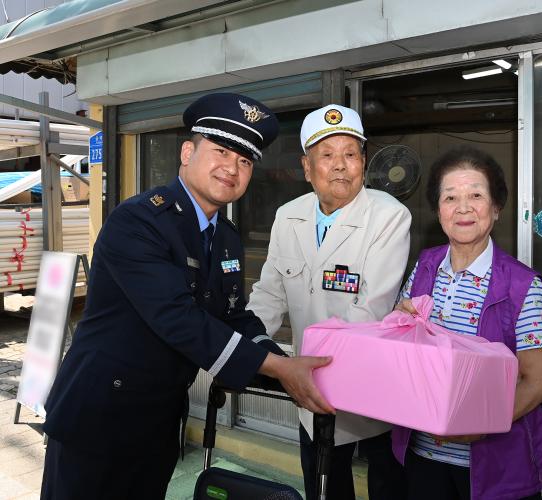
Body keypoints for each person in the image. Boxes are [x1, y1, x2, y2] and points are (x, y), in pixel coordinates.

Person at [40, 93, 334, 500]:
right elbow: (177, 319)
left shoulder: (225, 237)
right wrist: (278, 369)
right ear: (186, 152)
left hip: (157, 422)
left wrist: (283, 364)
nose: (232, 168)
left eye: (245, 161)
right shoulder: (139, 220)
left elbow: (232, 317)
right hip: (98, 418)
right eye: (221, 151)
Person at [246, 104, 411, 499]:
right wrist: (249, 349)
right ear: (307, 167)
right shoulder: (288, 216)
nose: (340, 165)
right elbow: (269, 293)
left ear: (364, 162)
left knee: (387, 488)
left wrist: (302, 368)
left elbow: (370, 308)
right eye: (327, 155)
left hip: (373, 392)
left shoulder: (389, 216)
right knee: (324, 489)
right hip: (311, 397)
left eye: (350, 154)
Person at [393, 146, 542, 500]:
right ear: (438, 210)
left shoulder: (522, 285)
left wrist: (482, 424)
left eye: (476, 195)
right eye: (450, 197)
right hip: (424, 457)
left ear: (496, 208)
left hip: (496, 466)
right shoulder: (425, 265)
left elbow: (534, 384)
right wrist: (400, 323)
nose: (463, 207)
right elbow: (406, 348)